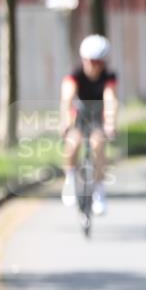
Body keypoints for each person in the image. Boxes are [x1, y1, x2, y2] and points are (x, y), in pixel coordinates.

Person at [59, 34, 119, 215]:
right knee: (73, 142)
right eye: (91, 61)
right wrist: (65, 122)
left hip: (97, 118)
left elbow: (111, 100)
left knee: (98, 145)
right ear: (84, 60)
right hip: (79, 116)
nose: (94, 66)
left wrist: (110, 123)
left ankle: (99, 191)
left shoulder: (108, 77)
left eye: (98, 62)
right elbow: (67, 98)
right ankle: (69, 180)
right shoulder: (74, 75)